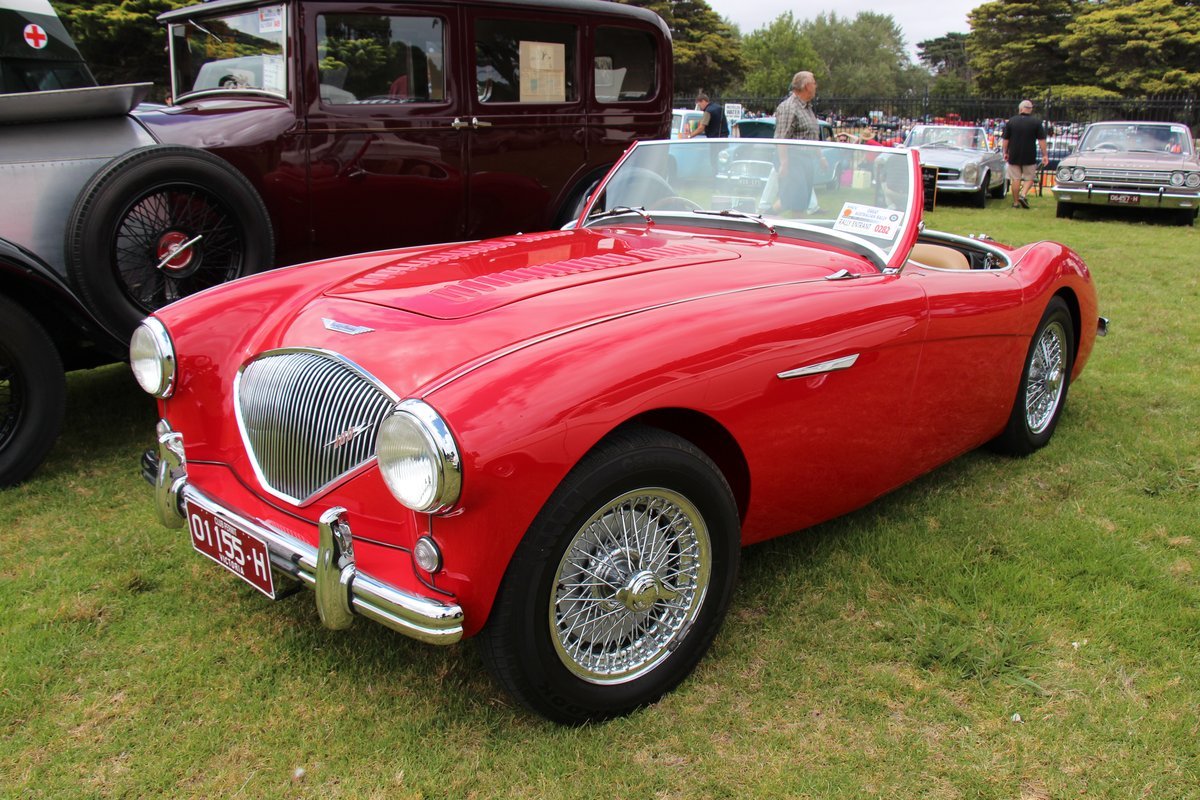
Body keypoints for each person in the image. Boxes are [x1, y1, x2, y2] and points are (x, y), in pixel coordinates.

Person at [772, 71, 821, 215]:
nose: (815, 86)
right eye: (814, 82)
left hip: (806, 159)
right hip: (792, 158)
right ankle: (761, 220)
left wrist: (820, 157)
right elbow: (782, 137)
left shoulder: (807, 107)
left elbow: (812, 136)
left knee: (801, 202)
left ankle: (794, 228)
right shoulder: (789, 107)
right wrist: (784, 163)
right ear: (806, 86)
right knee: (791, 200)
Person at [1002, 100, 1048, 208]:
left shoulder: (1012, 121)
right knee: (1030, 177)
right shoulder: (1036, 122)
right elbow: (1042, 140)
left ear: (1020, 109)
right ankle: (1023, 194)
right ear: (1030, 109)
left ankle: (1015, 202)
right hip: (1029, 153)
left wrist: (1005, 152)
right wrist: (1044, 154)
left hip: (1014, 153)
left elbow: (1005, 139)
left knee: (1015, 179)